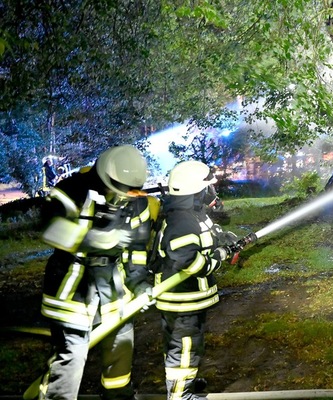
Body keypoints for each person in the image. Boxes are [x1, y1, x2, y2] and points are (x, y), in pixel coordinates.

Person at [38, 144, 148, 400]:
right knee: (71, 360)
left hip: (115, 296)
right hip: (72, 292)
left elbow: (137, 251)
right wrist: (96, 239)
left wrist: (141, 283)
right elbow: (50, 229)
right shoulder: (72, 190)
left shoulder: (135, 201)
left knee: (120, 356)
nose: (128, 195)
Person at [152, 160, 236, 400]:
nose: (212, 191)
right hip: (182, 300)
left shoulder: (190, 214)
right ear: (196, 190)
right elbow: (186, 261)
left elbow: (205, 234)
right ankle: (180, 395)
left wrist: (221, 238)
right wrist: (216, 259)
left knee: (185, 347)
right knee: (185, 349)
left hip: (185, 299)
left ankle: (184, 384)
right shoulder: (182, 222)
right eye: (208, 187)